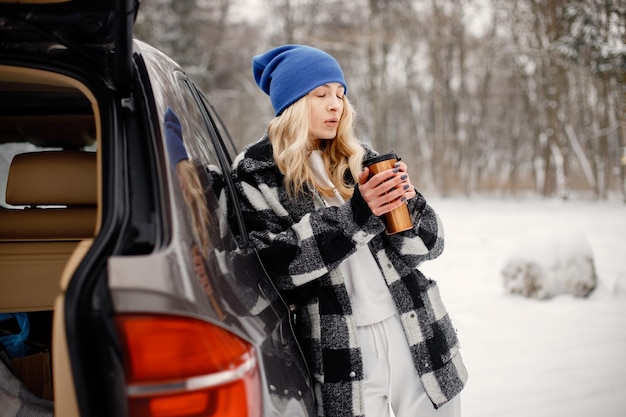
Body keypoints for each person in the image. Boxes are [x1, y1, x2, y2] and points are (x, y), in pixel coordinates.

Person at [231, 44, 467, 417]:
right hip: (340, 346)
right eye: (320, 94)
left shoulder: (357, 157)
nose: (335, 105)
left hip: (416, 330)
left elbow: (429, 245)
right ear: (290, 104)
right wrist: (357, 214)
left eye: (340, 94)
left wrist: (407, 204)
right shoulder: (255, 172)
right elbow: (273, 267)